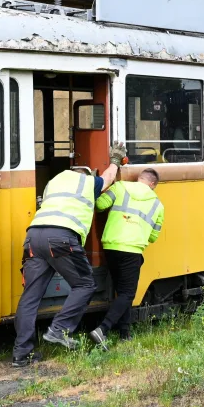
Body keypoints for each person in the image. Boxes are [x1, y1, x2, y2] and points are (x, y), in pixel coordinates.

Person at [11, 143, 125, 367]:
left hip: (33, 236)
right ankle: (59, 329)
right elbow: (108, 178)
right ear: (85, 175)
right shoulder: (86, 182)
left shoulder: (53, 183)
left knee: (30, 297)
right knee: (85, 285)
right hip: (61, 238)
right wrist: (115, 160)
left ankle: (21, 354)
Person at [88, 168, 164, 351]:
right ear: (153, 184)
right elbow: (153, 237)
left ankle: (125, 333)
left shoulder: (120, 187)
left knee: (122, 292)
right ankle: (102, 329)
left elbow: (100, 205)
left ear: (139, 179)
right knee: (127, 293)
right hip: (132, 250)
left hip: (111, 246)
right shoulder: (157, 205)